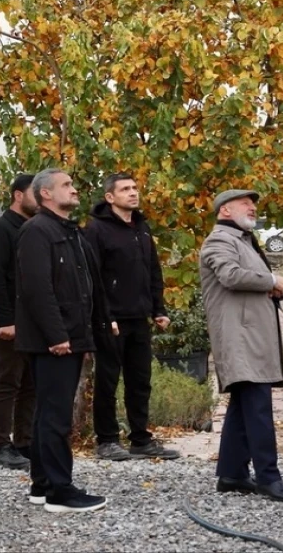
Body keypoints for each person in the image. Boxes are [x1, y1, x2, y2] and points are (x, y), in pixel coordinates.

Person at [15, 168, 115, 514]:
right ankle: (60, 491)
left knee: (47, 415)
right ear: (45, 194)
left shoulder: (70, 232)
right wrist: (57, 336)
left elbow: (88, 285)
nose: (74, 189)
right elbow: (37, 289)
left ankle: (42, 486)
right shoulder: (36, 232)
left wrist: (101, 326)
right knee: (56, 417)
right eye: (67, 185)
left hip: (72, 336)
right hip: (55, 340)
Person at [199, 189, 283, 502]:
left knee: (244, 408)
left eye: (253, 203)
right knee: (257, 408)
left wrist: (274, 289)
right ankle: (269, 478)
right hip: (240, 339)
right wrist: (271, 280)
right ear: (225, 210)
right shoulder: (219, 240)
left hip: (249, 337)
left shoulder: (241, 241)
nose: (253, 207)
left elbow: (246, 281)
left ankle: (231, 474)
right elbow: (230, 275)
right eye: (246, 203)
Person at [85, 173, 180, 461]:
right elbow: (93, 277)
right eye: (125, 189)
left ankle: (140, 439)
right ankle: (107, 440)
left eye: (135, 188)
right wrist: (106, 316)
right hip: (111, 321)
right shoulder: (96, 229)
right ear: (110, 197)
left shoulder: (141, 227)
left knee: (140, 381)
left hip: (139, 318)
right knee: (108, 381)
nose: (133, 193)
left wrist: (158, 309)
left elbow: (152, 270)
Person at [0, 173, 38, 470]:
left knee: (31, 385)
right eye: (34, 192)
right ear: (18, 195)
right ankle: (1, 445)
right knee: (7, 383)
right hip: (10, 322)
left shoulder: (35, 230)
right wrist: (5, 320)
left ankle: (24, 443)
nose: (40, 197)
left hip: (35, 322)